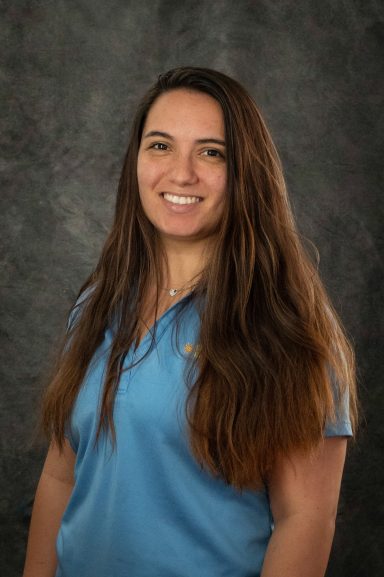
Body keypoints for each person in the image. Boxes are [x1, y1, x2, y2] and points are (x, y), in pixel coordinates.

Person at [23, 66, 358, 577]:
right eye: (160, 146)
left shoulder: (292, 326)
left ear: (246, 170)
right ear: (136, 161)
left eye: (211, 152)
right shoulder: (97, 302)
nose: (181, 174)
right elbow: (61, 477)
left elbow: (305, 519)